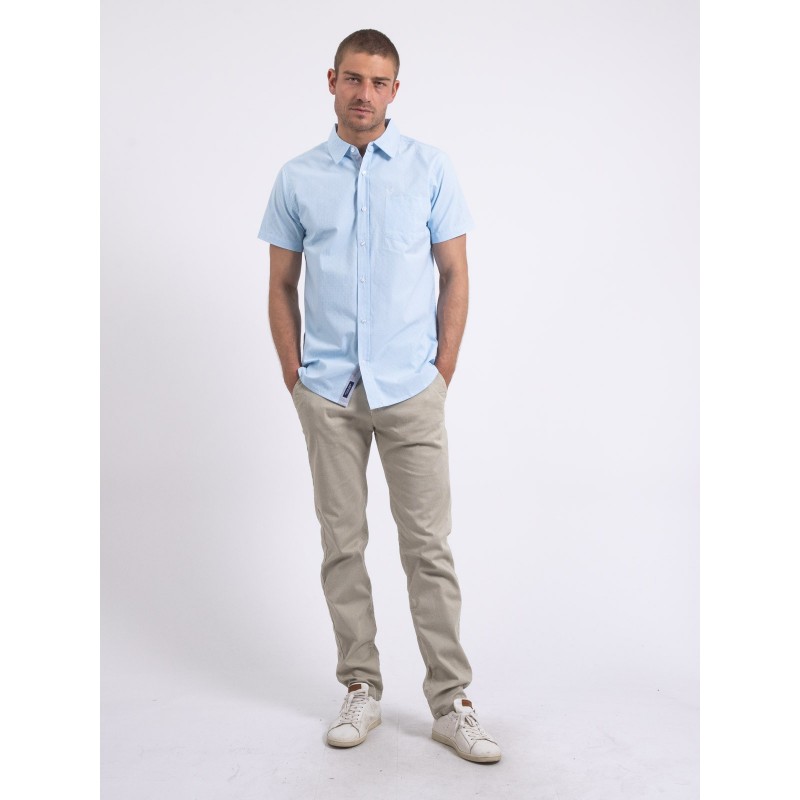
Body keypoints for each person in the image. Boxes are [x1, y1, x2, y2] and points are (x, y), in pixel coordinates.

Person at [257, 28, 501, 764]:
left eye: (379, 82)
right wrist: (296, 378)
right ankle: (360, 686)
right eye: (354, 79)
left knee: (428, 550)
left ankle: (451, 703)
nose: (365, 94)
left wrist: (442, 370)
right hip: (328, 392)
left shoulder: (430, 168)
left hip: (410, 389)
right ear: (332, 80)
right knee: (343, 545)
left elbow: (455, 274)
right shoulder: (298, 177)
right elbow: (280, 286)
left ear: (396, 90)